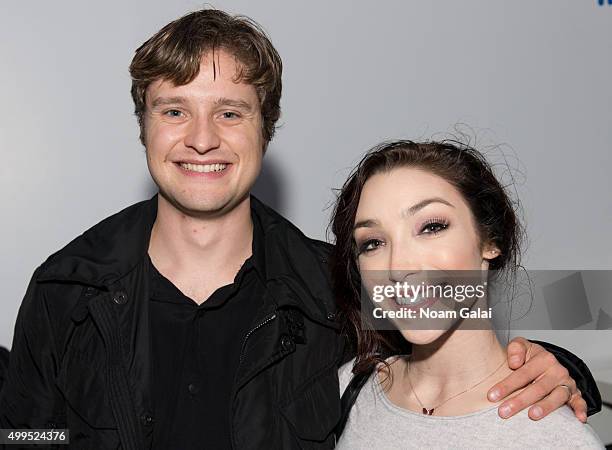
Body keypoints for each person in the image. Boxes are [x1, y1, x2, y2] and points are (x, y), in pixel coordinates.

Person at [0, 9, 601, 450]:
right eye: (175, 110)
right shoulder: (65, 287)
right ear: (144, 128)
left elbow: (447, 355)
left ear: (266, 130)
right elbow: (29, 433)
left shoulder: (339, 290)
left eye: (230, 112)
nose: (202, 137)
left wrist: (561, 365)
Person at [330, 140, 604, 448]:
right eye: (372, 243)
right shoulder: (344, 390)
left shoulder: (557, 438)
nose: (397, 266)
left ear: (490, 240)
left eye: (431, 227)